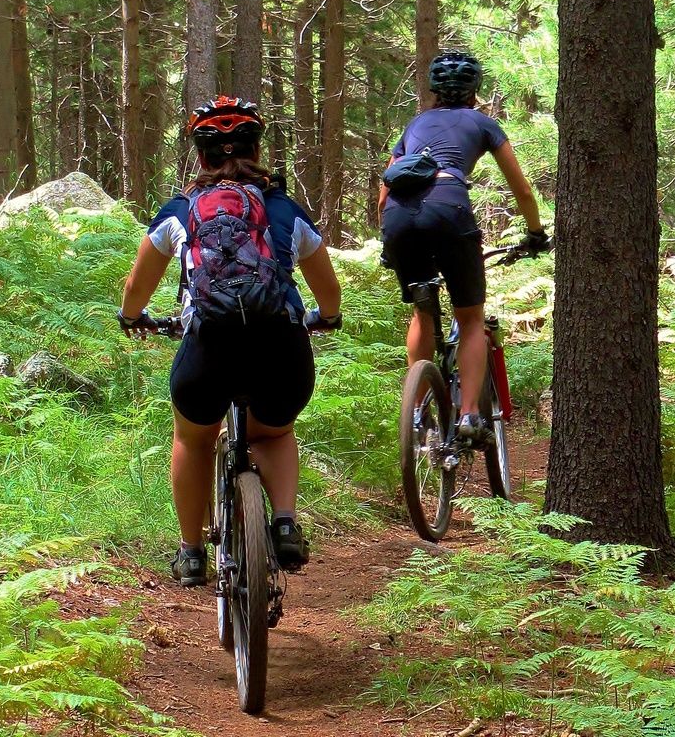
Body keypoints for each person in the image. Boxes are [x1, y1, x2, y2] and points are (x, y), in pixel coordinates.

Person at [117, 96, 342, 586]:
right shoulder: (285, 210)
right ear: (256, 150)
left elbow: (136, 287)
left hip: (208, 350)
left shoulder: (179, 212)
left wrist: (132, 317)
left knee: (192, 438)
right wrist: (327, 317)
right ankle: (285, 523)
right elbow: (328, 289)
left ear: (200, 156)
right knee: (273, 433)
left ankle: (191, 552)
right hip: (280, 350)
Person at [379, 51, 549, 443]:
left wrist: (390, 241)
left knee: (423, 312)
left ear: (434, 90)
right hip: (449, 207)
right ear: (475, 90)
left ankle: (416, 415)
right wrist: (536, 233)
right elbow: (522, 190)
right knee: (471, 318)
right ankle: (470, 415)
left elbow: (383, 193)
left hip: (399, 216)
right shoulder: (484, 123)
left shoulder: (415, 123)